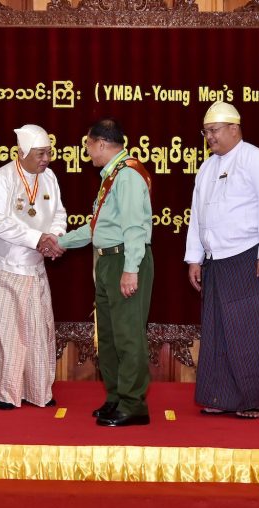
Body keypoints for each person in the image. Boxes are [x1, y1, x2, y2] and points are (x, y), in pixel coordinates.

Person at [185, 101, 259, 420]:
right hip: (216, 261)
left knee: (249, 331)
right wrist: (194, 258)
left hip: (249, 257)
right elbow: (197, 217)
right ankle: (222, 395)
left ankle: (252, 399)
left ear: (235, 129)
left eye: (214, 131)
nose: (209, 138)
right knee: (218, 330)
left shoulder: (256, 160)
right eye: (205, 132)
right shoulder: (207, 168)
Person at [57, 118, 154, 427]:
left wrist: (130, 270)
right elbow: (98, 228)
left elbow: (134, 229)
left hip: (125, 259)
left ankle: (133, 404)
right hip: (108, 260)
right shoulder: (112, 176)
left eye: (87, 145)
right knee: (109, 336)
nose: (86, 151)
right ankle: (115, 397)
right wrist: (60, 242)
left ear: (100, 143)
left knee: (127, 335)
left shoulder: (127, 176)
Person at [0, 124, 67, 410]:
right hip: (5, 267)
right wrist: (36, 238)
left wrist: (54, 239)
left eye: (48, 153)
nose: (46, 159)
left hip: (35, 264)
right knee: (8, 333)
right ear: (22, 152)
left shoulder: (49, 177)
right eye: (40, 154)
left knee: (39, 330)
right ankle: (7, 393)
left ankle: (39, 390)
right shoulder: (0, 180)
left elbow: (59, 213)